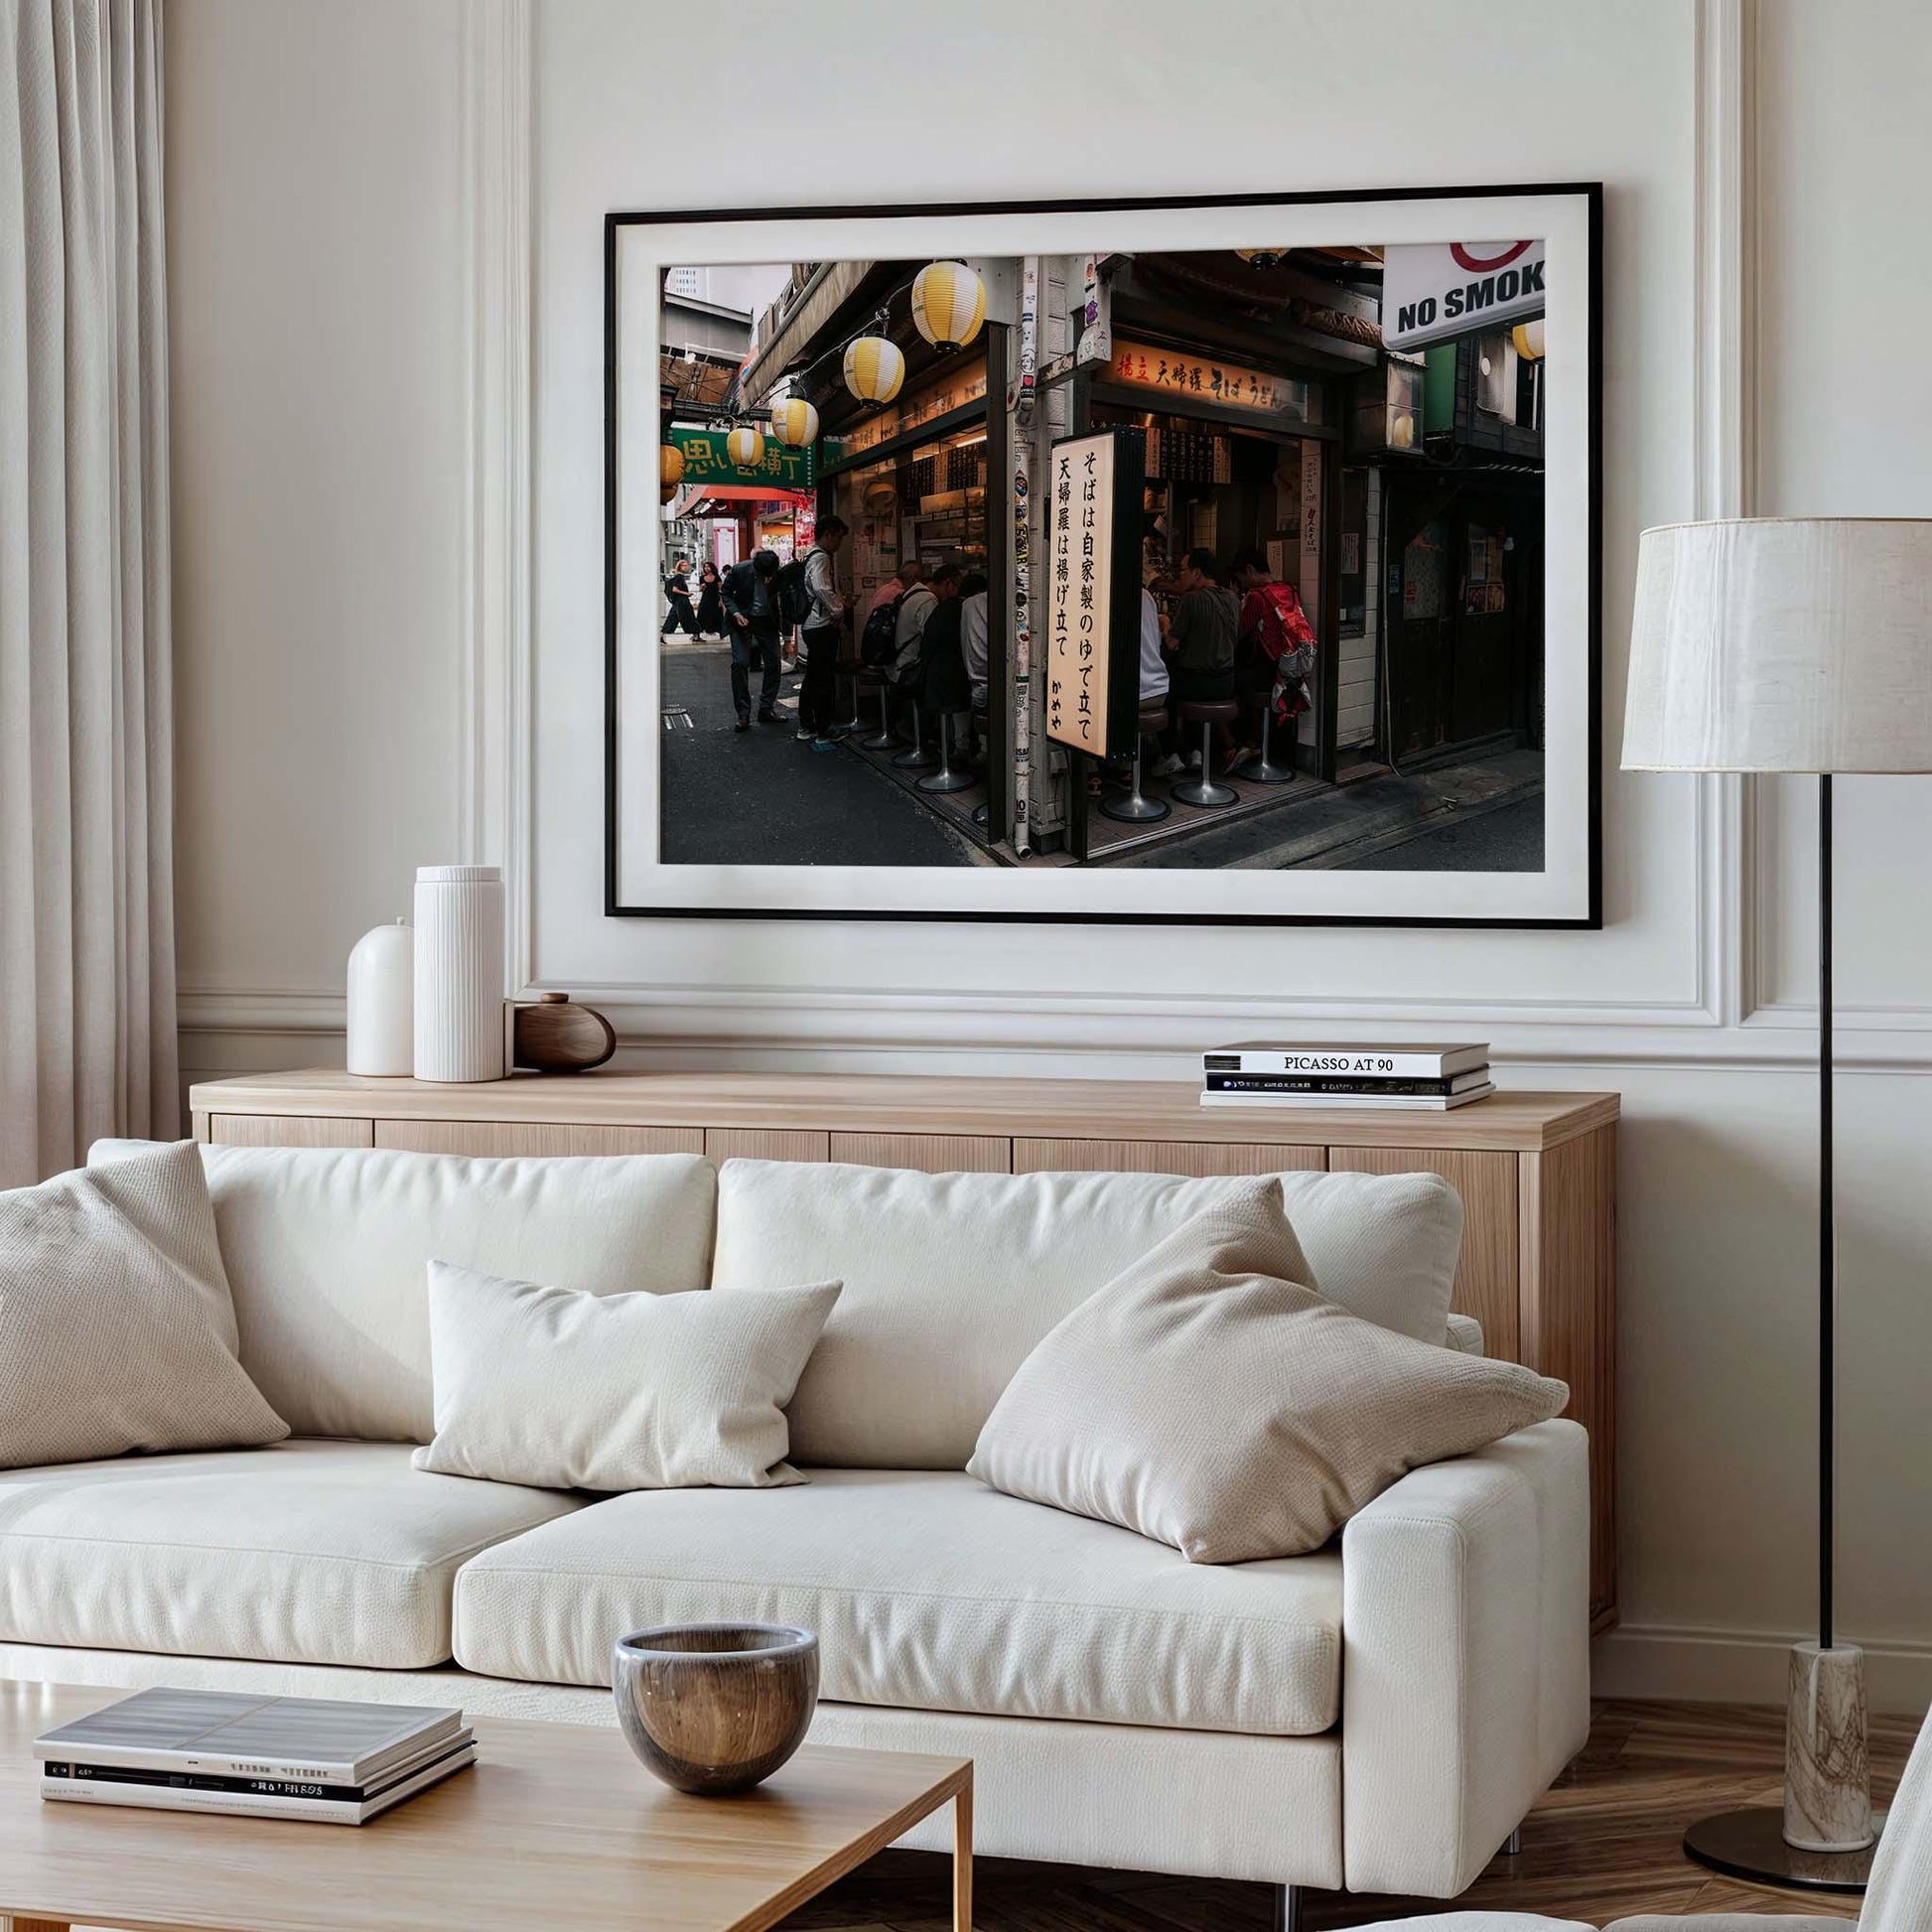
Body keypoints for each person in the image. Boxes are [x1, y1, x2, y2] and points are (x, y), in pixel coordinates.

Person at [1229, 544, 1316, 767]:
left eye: (1240, 577)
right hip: (1291, 666)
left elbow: (1239, 632)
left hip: (1267, 671)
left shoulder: (1256, 596)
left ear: (1249, 570)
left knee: (1232, 684)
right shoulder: (1289, 590)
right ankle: (1265, 747)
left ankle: (1248, 742)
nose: (1242, 582)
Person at [1159, 546, 1239, 769]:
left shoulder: (1191, 599)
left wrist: (1165, 624)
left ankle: (1170, 754)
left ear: (1196, 573)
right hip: (1226, 683)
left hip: (1196, 682)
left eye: (1183, 570)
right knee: (1190, 686)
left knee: (1166, 692)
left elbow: (1172, 643)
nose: (1180, 575)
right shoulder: (1233, 598)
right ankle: (1196, 752)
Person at [795, 516, 851, 749]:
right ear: (828, 534)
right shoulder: (820, 557)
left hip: (811, 625)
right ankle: (823, 729)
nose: (839, 544)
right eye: (838, 537)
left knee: (813, 677)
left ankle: (806, 725)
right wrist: (838, 610)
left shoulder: (809, 555)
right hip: (820, 626)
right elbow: (820, 587)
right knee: (823, 680)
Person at [720, 548, 786, 730]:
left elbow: (783, 602)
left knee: (774, 663)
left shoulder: (777, 573)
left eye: (768, 576)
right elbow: (725, 593)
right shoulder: (740, 569)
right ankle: (743, 714)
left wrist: (787, 636)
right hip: (742, 619)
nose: (764, 578)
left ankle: (766, 708)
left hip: (766, 621)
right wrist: (735, 613)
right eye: (760, 574)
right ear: (754, 566)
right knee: (740, 663)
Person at [660, 554, 699, 639]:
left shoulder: (679, 577)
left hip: (679, 601)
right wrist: (687, 594)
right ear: (680, 566)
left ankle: (662, 636)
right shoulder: (679, 577)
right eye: (684, 565)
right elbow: (675, 589)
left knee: (673, 618)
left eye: (686, 565)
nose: (686, 567)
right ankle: (696, 634)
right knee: (689, 617)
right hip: (682, 601)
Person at [695, 559, 723, 640]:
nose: (706, 568)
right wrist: (702, 587)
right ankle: (697, 633)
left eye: (708, 566)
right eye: (705, 567)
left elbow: (721, 590)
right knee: (701, 614)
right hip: (705, 599)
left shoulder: (717, 577)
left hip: (715, 599)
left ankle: (721, 632)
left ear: (712, 567)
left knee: (717, 615)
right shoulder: (702, 578)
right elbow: (701, 590)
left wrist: (721, 601)